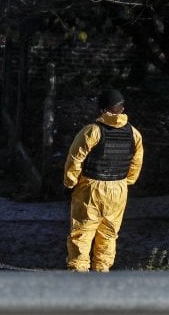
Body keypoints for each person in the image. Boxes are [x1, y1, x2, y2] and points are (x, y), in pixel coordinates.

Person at [63, 89, 143, 272]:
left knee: (82, 233)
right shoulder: (134, 133)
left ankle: (78, 274)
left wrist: (69, 184)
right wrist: (127, 181)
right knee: (108, 233)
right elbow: (136, 162)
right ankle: (102, 272)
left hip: (91, 188)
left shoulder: (92, 131)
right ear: (122, 109)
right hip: (119, 188)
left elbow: (74, 159)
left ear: (101, 109)